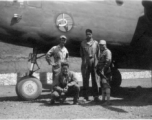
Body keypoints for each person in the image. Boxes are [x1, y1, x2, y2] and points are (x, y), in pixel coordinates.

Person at [80, 29, 100, 102]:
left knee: (95, 79)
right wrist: (84, 61)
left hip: (94, 62)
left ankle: (96, 96)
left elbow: (98, 54)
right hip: (86, 62)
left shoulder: (96, 43)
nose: (88, 35)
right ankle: (86, 96)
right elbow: (81, 54)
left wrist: (97, 63)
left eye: (89, 34)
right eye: (87, 34)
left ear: (92, 34)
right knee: (85, 79)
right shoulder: (83, 43)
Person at [96, 40, 112, 105]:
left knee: (106, 85)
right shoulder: (102, 52)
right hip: (101, 71)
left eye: (102, 45)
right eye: (100, 45)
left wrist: (103, 69)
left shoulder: (107, 52)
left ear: (105, 45)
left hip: (106, 71)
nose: (101, 46)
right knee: (102, 85)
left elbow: (108, 61)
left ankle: (108, 101)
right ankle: (103, 100)